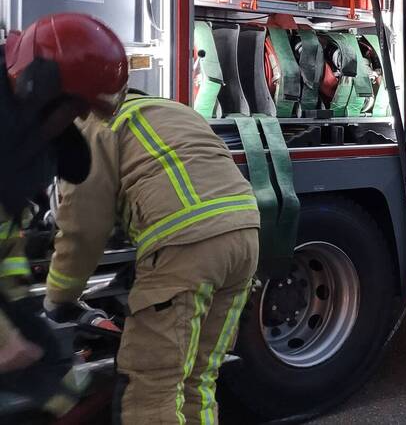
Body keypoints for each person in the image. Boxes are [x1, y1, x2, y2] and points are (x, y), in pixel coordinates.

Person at [43, 83, 261, 424]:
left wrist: (60, 296)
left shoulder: (93, 126)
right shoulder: (173, 110)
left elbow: (83, 225)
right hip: (244, 238)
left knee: (153, 386)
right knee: (197, 378)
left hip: (187, 248)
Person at [0, 12, 129, 414]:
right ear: (41, 87)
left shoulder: (26, 134)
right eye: (73, 107)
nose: (76, 121)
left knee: (53, 371)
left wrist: (23, 310)